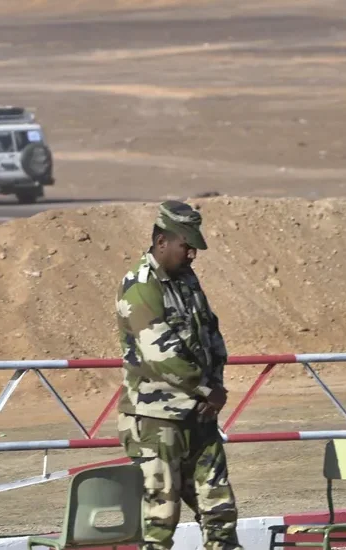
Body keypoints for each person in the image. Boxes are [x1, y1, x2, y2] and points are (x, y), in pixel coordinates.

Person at [114, 200, 241, 550]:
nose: (191, 255)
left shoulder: (186, 280)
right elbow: (161, 354)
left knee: (220, 511)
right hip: (157, 422)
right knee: (161, 519)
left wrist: (214, 387)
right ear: (161, 242)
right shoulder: (140, 286)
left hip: (199, 416)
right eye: (186, 246)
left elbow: (211, 334)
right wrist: (204, 388)